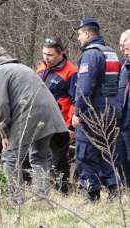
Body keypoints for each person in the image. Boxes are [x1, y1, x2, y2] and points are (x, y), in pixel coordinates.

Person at [0, 49, 67, 200]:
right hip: (50, 112)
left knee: (10, 158)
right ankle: (42, 198)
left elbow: (1, 104)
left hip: (30, 112)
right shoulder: (21, 67)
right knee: (39, 156)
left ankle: (16, 200)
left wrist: (4, 133)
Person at [73, 18, 121, 202]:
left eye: (79, 34)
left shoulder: (91, 54)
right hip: (112, 112)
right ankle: (115, 192)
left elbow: (84, 89)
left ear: (86, 33)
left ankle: (91, 195)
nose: (78, 39)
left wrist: (78, 113)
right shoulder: (111, 53)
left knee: (85, 154)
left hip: (94, 114)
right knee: (106, 153)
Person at [35, 37, 78, 194]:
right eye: (44, 53)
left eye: (50, 55)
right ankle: (37, 190)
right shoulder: (40, 67)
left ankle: (63, 192)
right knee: (36, 157)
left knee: (59, 161)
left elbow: (76, 100)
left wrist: (71, 126)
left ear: (61, 53)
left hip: (61, 124)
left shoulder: (71, 72)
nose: (46, 57)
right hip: (39, 121)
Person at [116, 36, 130, 188]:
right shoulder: (124, 67)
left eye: (127, 49)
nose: (124, 52)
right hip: (123, 121)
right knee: (122, 158)